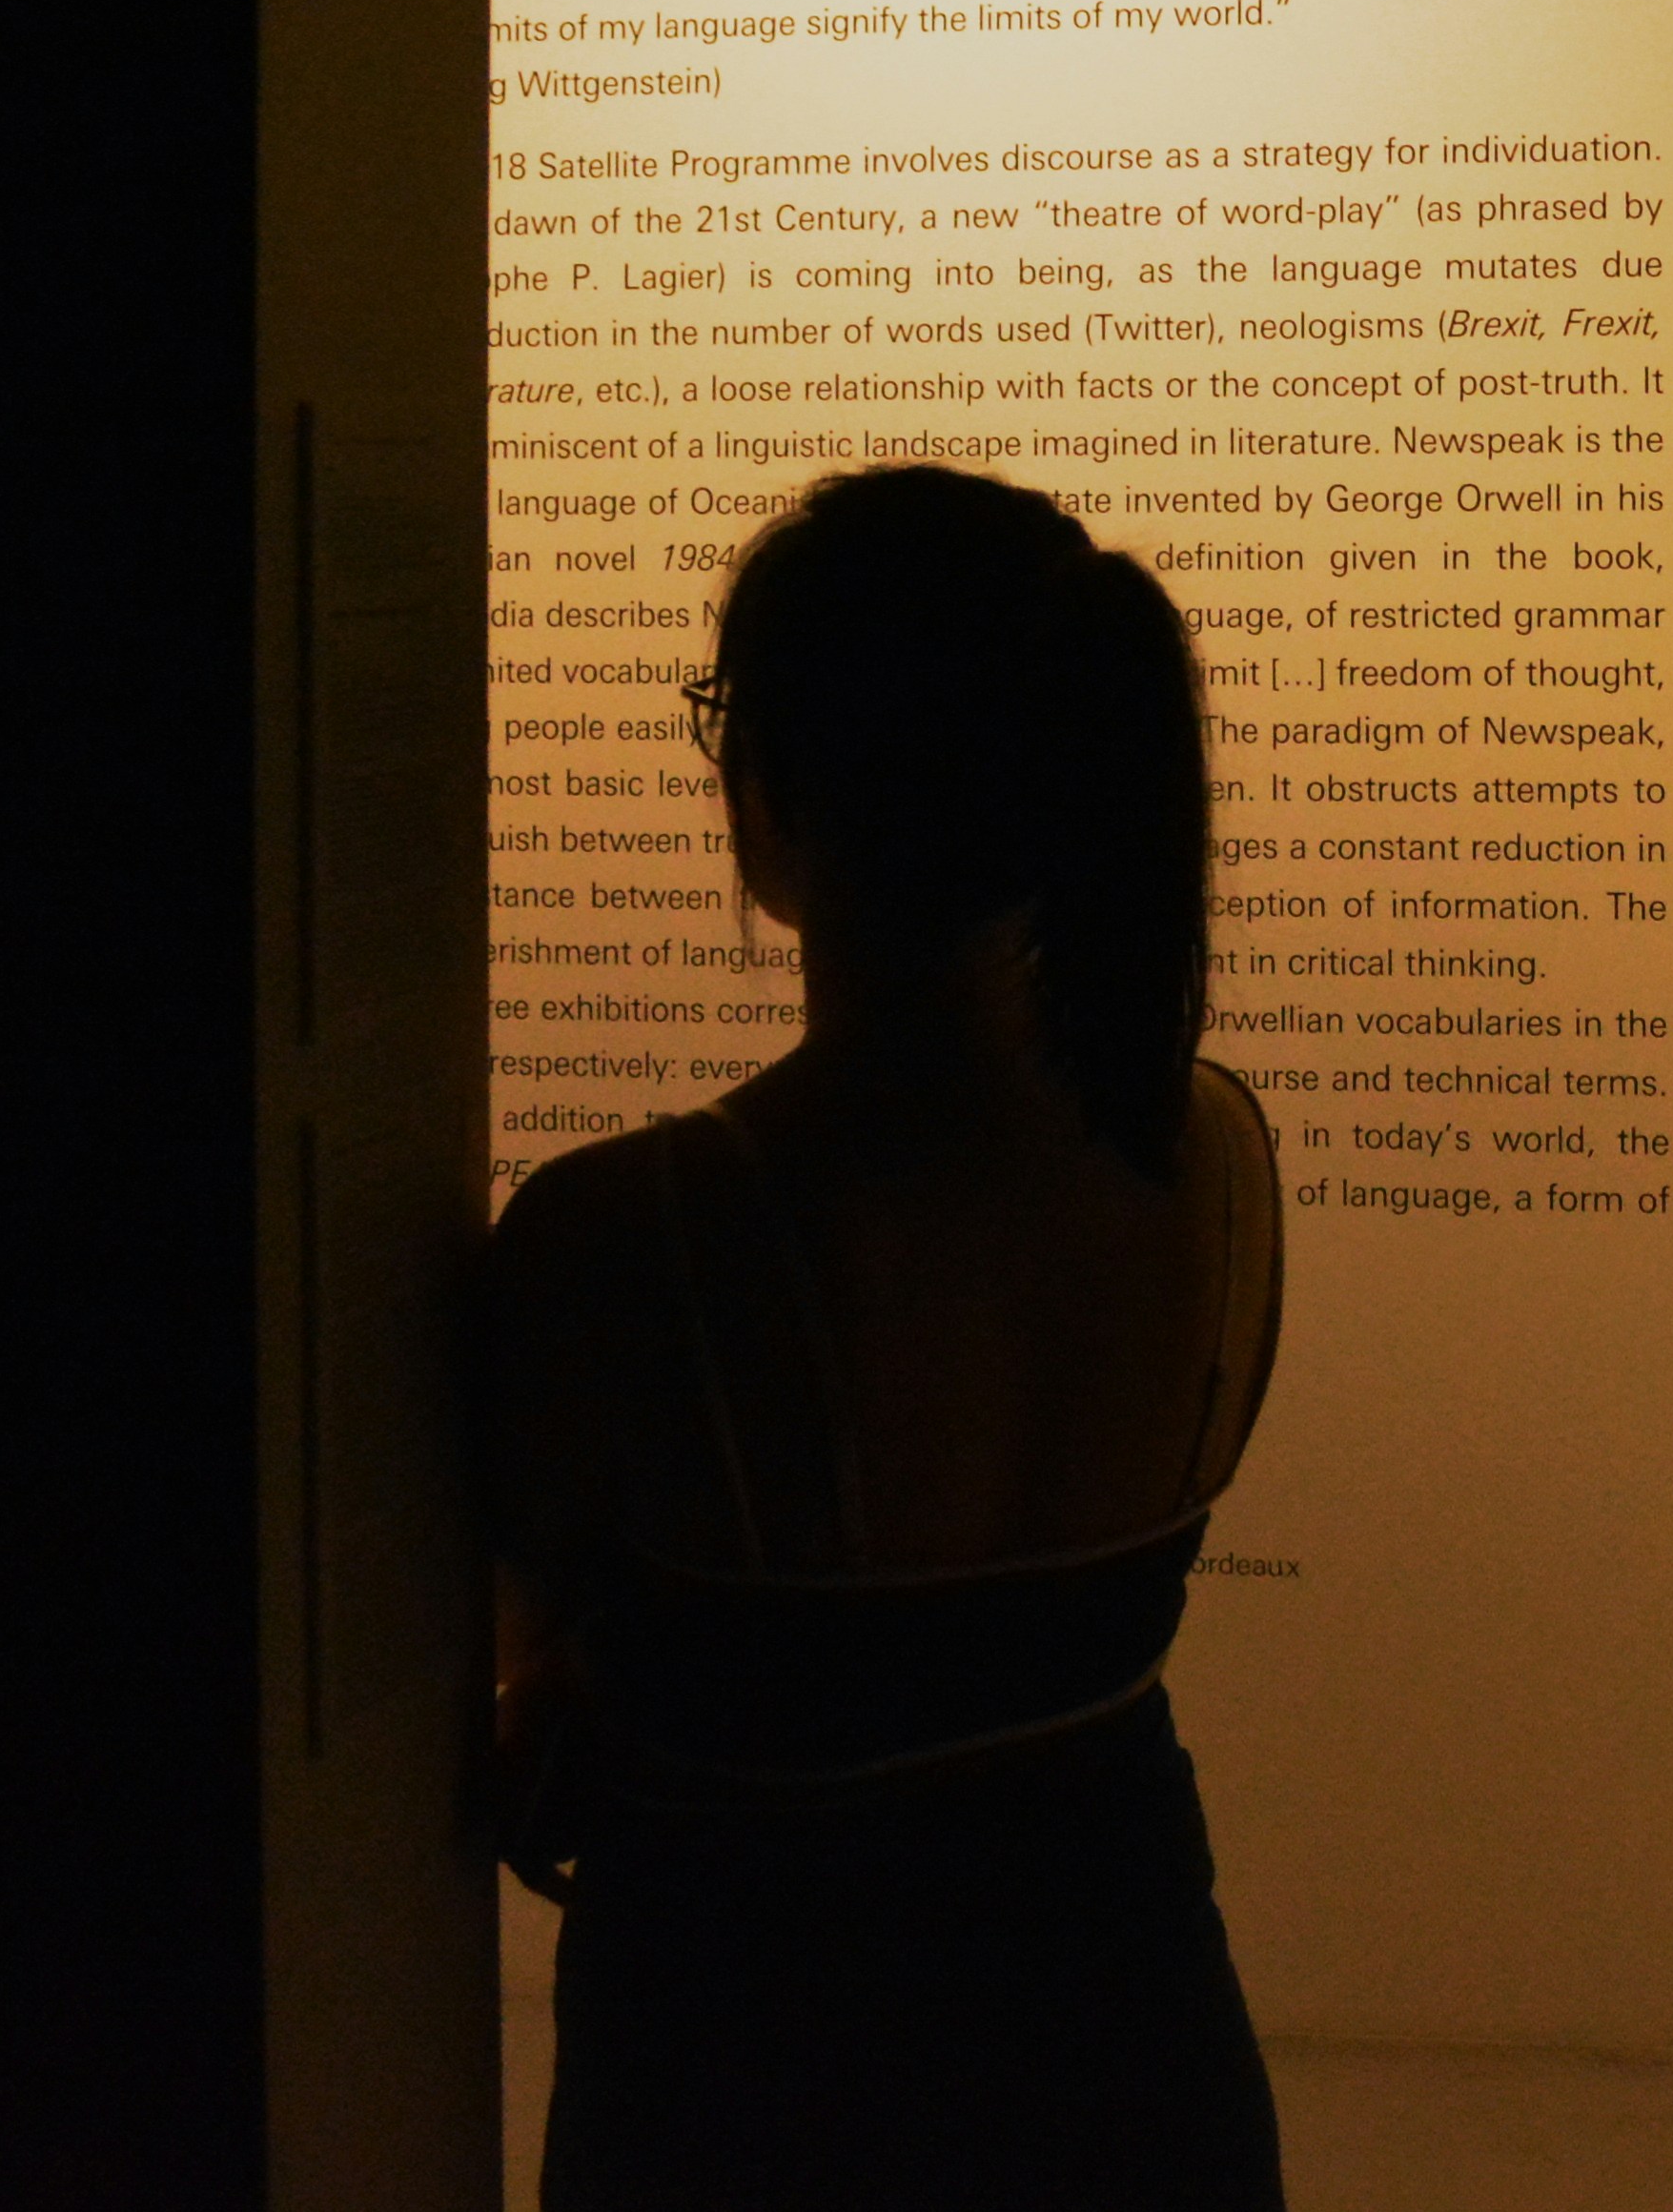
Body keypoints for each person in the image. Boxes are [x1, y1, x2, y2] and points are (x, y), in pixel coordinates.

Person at [488, 465, 1289, 2208]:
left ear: (774, 783)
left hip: (754, 2058)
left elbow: (488, 1643)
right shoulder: (1221, 1148)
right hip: (1131, 2011)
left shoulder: (628, 1234)